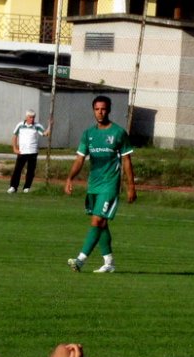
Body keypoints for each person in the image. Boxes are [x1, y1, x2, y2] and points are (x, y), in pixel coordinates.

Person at [64, 95, 137, 273]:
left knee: (97, 221)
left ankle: (80, 260)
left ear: (109, 110)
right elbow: (80, 159)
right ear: (93, 110)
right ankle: (109, 263)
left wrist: (131, 186)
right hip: (94, 185)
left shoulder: (118, 133)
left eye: (103, 109)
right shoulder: (88, 134)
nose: (100, 112)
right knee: (100, 223)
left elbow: (127, 160)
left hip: (110, 185)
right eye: (97, 109)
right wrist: (70, 178)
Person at [7, 109, 51, 194]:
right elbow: (15, 136)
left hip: (33, 152)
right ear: (26, 117)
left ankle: (26, 187)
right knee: (17, 170)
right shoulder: (20, 125)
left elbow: (45, 134)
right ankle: (13, 187)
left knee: (31, 171)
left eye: (33, 117)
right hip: (22, 152)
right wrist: (15, 148)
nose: (32, 119)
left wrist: (50, 125)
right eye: (30, 117)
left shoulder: (37, 126)